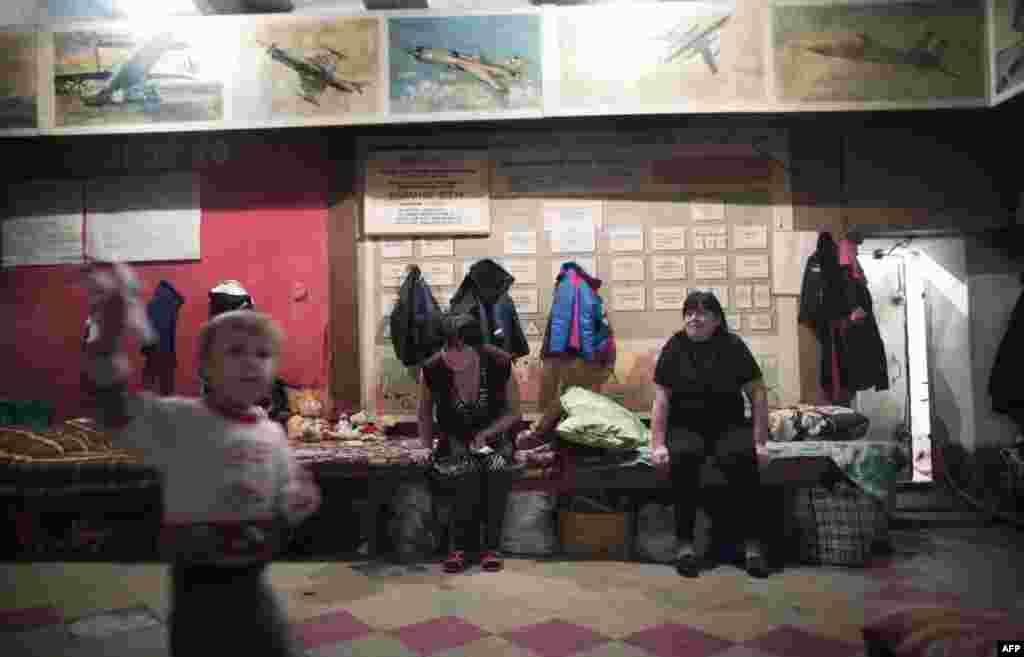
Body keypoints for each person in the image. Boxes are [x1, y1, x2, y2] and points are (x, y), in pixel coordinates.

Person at [81, 263, 320, 657]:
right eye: (236, 351)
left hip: (254, 585)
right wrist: (106, 337)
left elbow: (284, 501)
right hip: (198, 593)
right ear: (207, 366)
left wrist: (297, 501)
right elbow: (113, 408)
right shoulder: (181, 420)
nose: (252, 362)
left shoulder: (272, 434)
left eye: (263, 353)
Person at [650, 290, 771, 578]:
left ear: (717, 319)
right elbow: (661, 400)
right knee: (683, 457)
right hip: (685, 426)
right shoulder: (674, 346)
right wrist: (656, 444)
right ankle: (685, 544)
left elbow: (758, 394)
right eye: (689, 312)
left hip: (728, 425)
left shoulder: (733, 345)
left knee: (743, 457)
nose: (694, 318)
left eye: (702, 312)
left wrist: (760, 442)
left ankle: (752, 546)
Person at [418, 311, 522, 573]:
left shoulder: (499, 362)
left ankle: (491, 547)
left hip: (495, 439)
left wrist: (487, 434)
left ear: (475, 346)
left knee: (496, 467)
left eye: (459, 347)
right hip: (454, 441)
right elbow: (424, 413)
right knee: (465, 470)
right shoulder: (433, 368)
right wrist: (425, 447)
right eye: (448, 347)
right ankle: (459, 547)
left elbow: (513, 413)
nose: (452, 356)